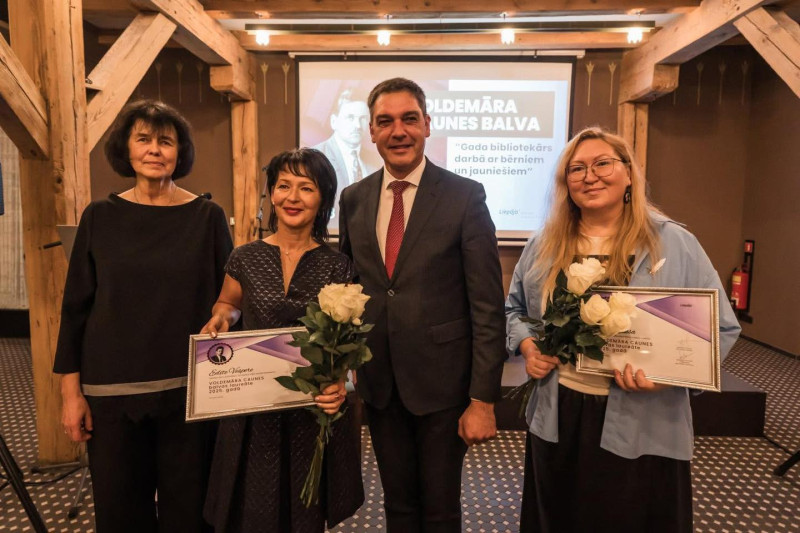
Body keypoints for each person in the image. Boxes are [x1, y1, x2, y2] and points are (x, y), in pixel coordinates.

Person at [505, 127, 741, 533]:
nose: (589, 176)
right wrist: (528, 346)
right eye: (576, 169)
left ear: (629, 173)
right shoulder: (545, 244)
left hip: (644, 415)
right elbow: (515, 310)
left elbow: (721, 326)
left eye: (603, 164)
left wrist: (667, 377)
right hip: (560, 411)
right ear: (565, 182)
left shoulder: (674, 242)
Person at [53, 100, 233, 532]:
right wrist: (70, 395)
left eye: (166, 141)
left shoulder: (207, 217)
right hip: (111, 395)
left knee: (190, 517)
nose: (155, 149)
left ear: (180, 152)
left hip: (190, 393)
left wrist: (228, 316)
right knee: (120, 515)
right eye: (144, 139)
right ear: (127, 148)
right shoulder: (99, 217)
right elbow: (74, 310)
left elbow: (229, 298)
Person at [338, 78, 507, 532]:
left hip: (444, 388)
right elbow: (349, 291)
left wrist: (483, 399)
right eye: (385, 121)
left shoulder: (465, 196)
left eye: (409, 119)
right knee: (398, 506)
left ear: (427, 125)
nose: (398, 131)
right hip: (379, 384)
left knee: (440, 510)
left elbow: (487, 306)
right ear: (371, 132)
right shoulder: (353, 199)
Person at [201, 148, 364, 533]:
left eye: (306, 188)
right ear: (271, 194)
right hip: (253, 406)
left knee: (305, 513)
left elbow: (347, 339)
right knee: (252, 508)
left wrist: (341, 382)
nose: (293, 197)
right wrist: (221, 318)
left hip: (311, 406)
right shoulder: (244, 257)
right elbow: (229, 304)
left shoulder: (338, 264)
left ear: (322, 198)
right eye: (283, 186)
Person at [313, 89, 380, 202]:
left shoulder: (376, 160)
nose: (358, 125)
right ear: (334, 121)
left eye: (362, 118)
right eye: (350, 118)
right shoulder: (315, 158)